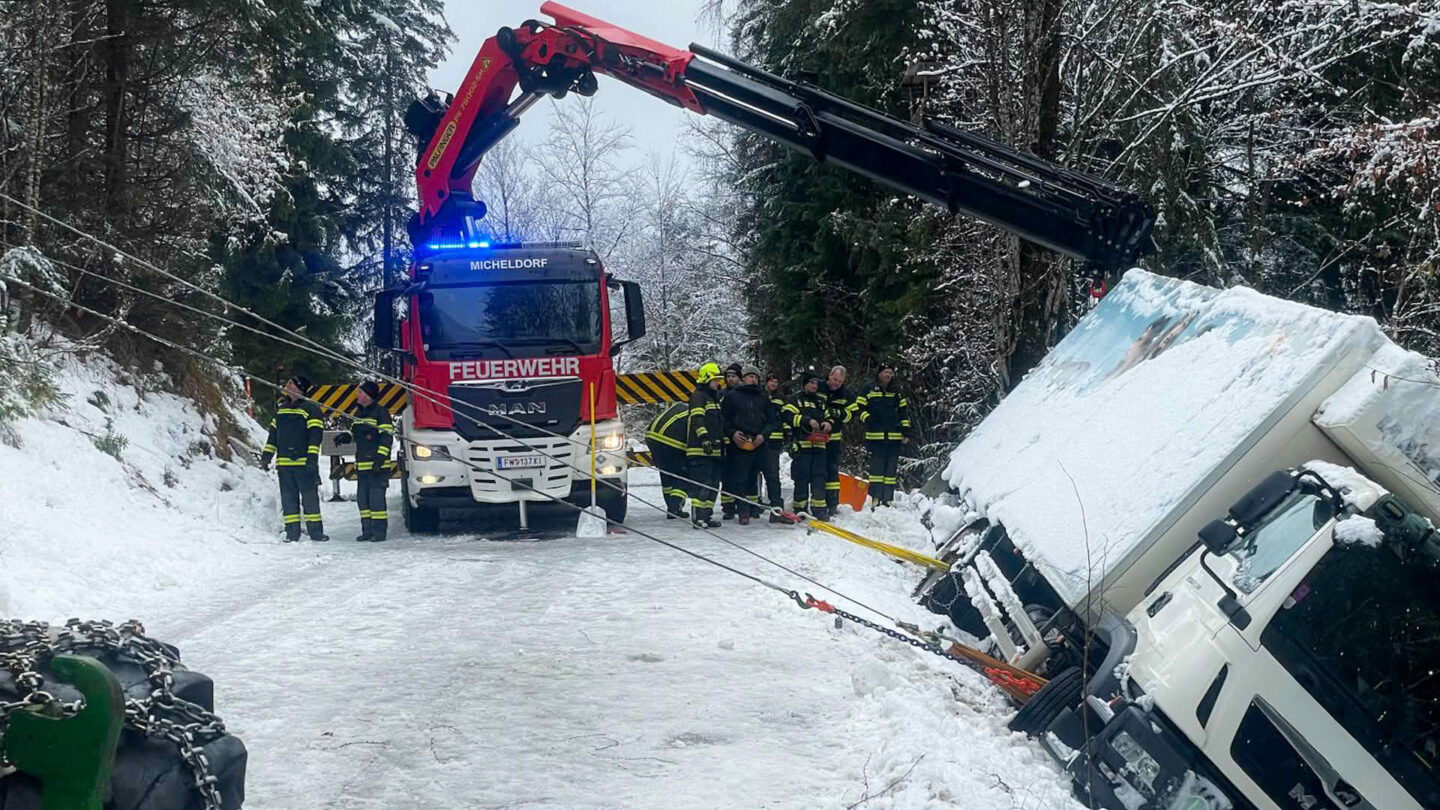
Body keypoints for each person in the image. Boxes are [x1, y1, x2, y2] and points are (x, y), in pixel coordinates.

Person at [260, 375, 328, 542]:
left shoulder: (311, 410)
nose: (287, 385)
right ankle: (292, 532)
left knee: (310, 499)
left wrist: (312, 459)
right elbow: (273, 436)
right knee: (288, 500)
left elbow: (315, 437)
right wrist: (266, 456)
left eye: (291, 383)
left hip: (304, 464)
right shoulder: (281, 410)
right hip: (284, 465)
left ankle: (316, 532)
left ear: (300, 388)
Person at [850, 363, 911, 507]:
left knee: (890, 470)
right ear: (879, 373)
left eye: (891, 373)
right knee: (876, 469)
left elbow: (903, 412)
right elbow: (858, 407)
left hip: (894, 436)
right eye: (886, 372)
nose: (888, 375)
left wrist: (905, 431)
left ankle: (887, 498)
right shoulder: (869, 389)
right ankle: (875, 497)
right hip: (875, 436)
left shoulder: (896, 391)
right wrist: (867, 418)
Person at [721, 366, 769, 525]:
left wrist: (763, 434)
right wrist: (733, 433)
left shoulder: (763, 396)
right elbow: (724, 420)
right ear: (743, 378)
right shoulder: (732, 396)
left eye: (755, 377)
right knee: (740, 477)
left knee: (754, 477)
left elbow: (772, 420)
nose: (753, 379)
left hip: (759, 442)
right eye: (749, 376)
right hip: (741, 442)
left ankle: (753, 507)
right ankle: (742, 510)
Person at [782, 368, 832, 520]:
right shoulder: (795, 399)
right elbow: (787, 416)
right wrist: (806, 421)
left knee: (819, 477)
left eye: (816, 383)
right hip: (802, 446)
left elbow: (829, 416)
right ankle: (800, 508)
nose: (814, 385)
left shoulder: (821, 402)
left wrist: (828, 424)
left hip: (819, 447)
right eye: (811, 382)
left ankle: (819, 509)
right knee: (801, 478)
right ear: (804, 384)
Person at [350, 381, 394, 541]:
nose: (358, 395)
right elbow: (355, 434)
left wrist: (380, 459)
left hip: (378, 468)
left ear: (368, 396)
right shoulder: (358, 413)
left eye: (360, 392)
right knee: (363, 501)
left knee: (376, 502)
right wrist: (345, 437)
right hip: (362, 467)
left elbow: (386, 437)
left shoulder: (381, 413)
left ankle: (379, 532)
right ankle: (367, 531)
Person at [686, 362, 725, 528]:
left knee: (714, 484)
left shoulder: (713, 399)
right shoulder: (698, 396)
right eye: (716, 380)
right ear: (707, 378)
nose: (719, 383)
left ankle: (707, 516)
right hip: (700, 449)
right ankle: (698, 518)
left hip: (714, 451)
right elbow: (697, 419)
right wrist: (704, 438)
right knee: (703, 483)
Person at [645, 401, 691, 519]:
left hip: (652, 438)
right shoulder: (696, 413)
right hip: (672, 442)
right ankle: (675, 507)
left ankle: (672, 508)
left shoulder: (679, 408)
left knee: (666, 475)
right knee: (682, 475)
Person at [822, 365, 852, 514]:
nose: (836, 383)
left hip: (834, 439)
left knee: (832, 473)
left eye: (839, 382)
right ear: (829, 375)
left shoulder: (845, 394)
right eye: (834, 379)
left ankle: (832, 504)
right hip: (817, 439)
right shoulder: (820, 387)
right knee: (817, 472)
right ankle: (818, 503)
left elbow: (851, 413)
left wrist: (839, 414)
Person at [757, 372, 788, 511]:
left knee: (772, 473)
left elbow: (784, 417)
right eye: (771, 381)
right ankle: (756, 501)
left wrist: (786, 433)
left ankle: (776, 503)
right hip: (759, 439)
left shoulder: (781, 399)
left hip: (775, 440)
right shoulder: (759, 396)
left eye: (776, 382)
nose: (774, 384)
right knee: (756, 472)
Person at [718, 362, 743, 519]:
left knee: (741, 473)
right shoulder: (721, 395)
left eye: (733, 376)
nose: (730, 379)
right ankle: (727, 506)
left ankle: (742, 503)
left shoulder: (744, 394)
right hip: (726, 439)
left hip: (741, 438)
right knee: (726, 474)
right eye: (728, 376)